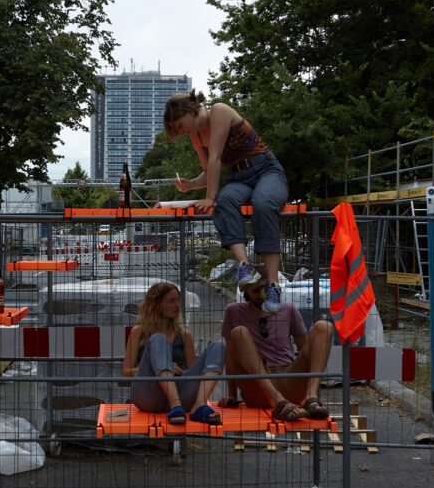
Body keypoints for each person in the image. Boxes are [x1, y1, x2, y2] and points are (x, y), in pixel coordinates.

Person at [164, 90, 288, 313]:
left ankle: (273, 286)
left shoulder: (219, 111)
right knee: (225, 201)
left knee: (262, 204)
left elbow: (215, 159)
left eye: (179, 125)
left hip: (266, 170)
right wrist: (192, 184)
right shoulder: (196, 136)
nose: (181, 131)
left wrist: (209, 197)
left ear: (188, 111)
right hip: (239, 177)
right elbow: (208, 172)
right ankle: (245, 268)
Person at [219, 270, 333, 422]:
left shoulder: (288, 309)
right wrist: (232, 394)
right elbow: (231, 357)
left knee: (324, 327)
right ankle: (277, 401)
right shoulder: (233, 311)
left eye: (265, 290)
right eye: (255, 291)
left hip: (289, 378)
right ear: (246, 291)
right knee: (238, 332)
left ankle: (311, 397)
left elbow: (305, 350)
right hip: (258, 386)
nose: (261, 295)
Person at [122, 282, 227, 425]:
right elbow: (127, 372)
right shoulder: (138, 332)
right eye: (171, 301)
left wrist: (186, 369)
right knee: (158, 339)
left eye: (178, 300)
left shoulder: (184, 335)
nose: (177, 305)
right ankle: (175, 404)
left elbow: (192, 374)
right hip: (148, 395)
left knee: (218, 346)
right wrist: (164, 366)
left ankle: (199, 404)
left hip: (182, 394)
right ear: (156, 304)